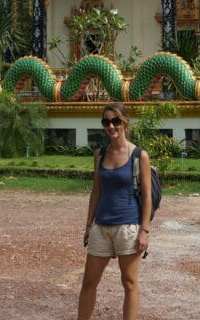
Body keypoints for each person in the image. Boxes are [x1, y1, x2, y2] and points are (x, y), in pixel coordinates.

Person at [77, 102, 151, 320]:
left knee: (128, 282)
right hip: (101, 226)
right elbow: (96, 191)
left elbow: (147, 195)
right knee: (89, 282)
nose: (111, 126)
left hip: (128, 226)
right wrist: (89, 225)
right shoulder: (99, 154)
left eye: (116, 121)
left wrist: (144, 230)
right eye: (106, 122)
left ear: (125, 122)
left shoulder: (139, 155)